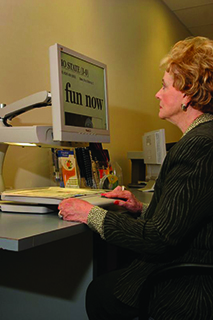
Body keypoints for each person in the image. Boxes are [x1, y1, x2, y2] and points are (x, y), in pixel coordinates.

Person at [58, 36, 213, 320]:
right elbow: (188, 216)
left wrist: (89, 213)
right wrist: (140, 208)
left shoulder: (199, 145)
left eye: (164, 86)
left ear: (187, 93)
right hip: (197, 265)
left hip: (191, 289)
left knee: (99, 292)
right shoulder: (205, 137)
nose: (157, 93)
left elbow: (160, 238)